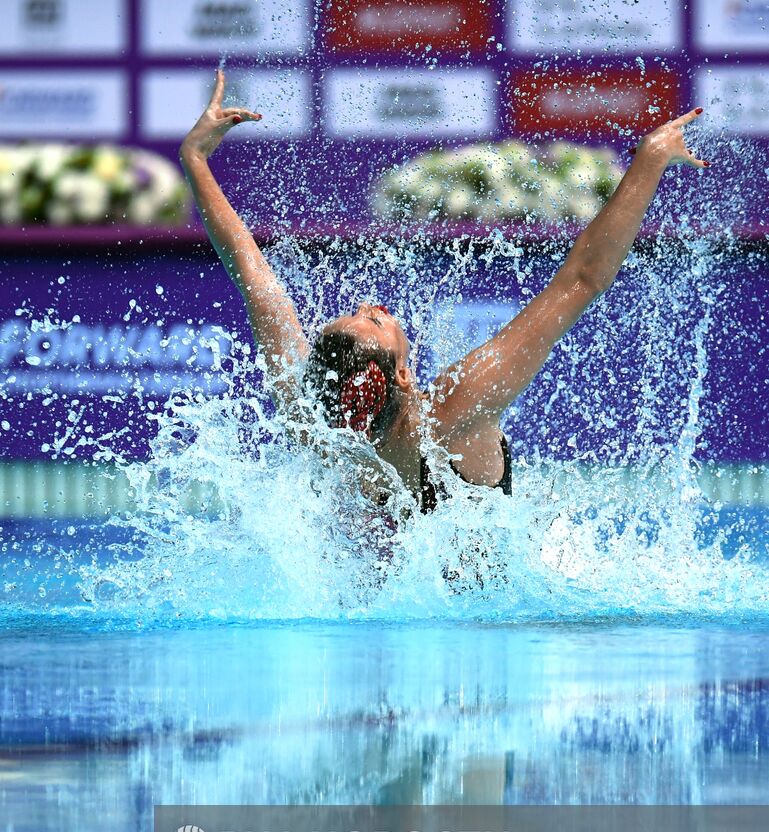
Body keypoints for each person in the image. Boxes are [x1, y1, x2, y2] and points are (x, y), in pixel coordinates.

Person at [179, 68, 709, 514]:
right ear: (403, 375)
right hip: (493, 614)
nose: (373, 304)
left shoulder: (314, 422)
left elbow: (255, 278)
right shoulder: (458, 405)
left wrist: (197, 161)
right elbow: (582, 279)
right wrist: (650, 158)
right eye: (377, 320)